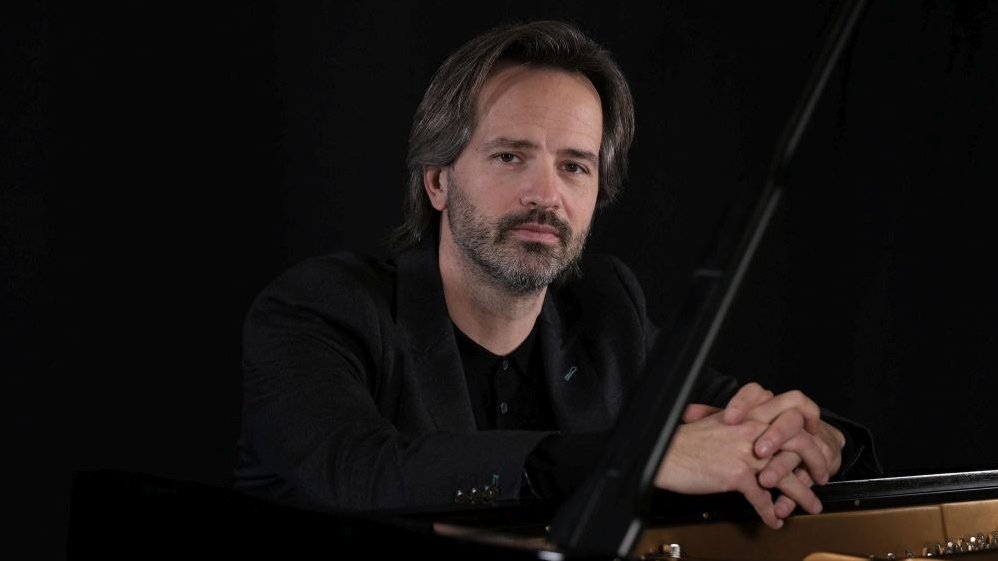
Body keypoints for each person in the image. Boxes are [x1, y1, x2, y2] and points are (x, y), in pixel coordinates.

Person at [234, 20, 878, 531]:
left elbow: (736, 425)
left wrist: (805, 439)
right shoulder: (320, 309)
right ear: (437, 180)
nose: (546, 194)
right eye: (511, 156)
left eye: (575, 166)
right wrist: (640, 460)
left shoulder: (605, 312)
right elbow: (356, 472)